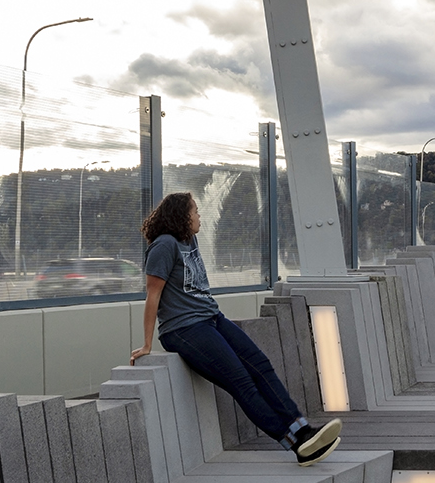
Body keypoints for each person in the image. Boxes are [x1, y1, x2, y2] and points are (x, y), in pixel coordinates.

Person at [130, 191, 341, 465]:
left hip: (211, 318)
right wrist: (147, 343)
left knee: (261, 366)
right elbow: (152, 296)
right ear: (182, 215)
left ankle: (303, 429)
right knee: (241, 382)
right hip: (184, 329)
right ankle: (296, 444)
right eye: (195, 211)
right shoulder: (164, 246)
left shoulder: (188, 240)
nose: (199, 216)